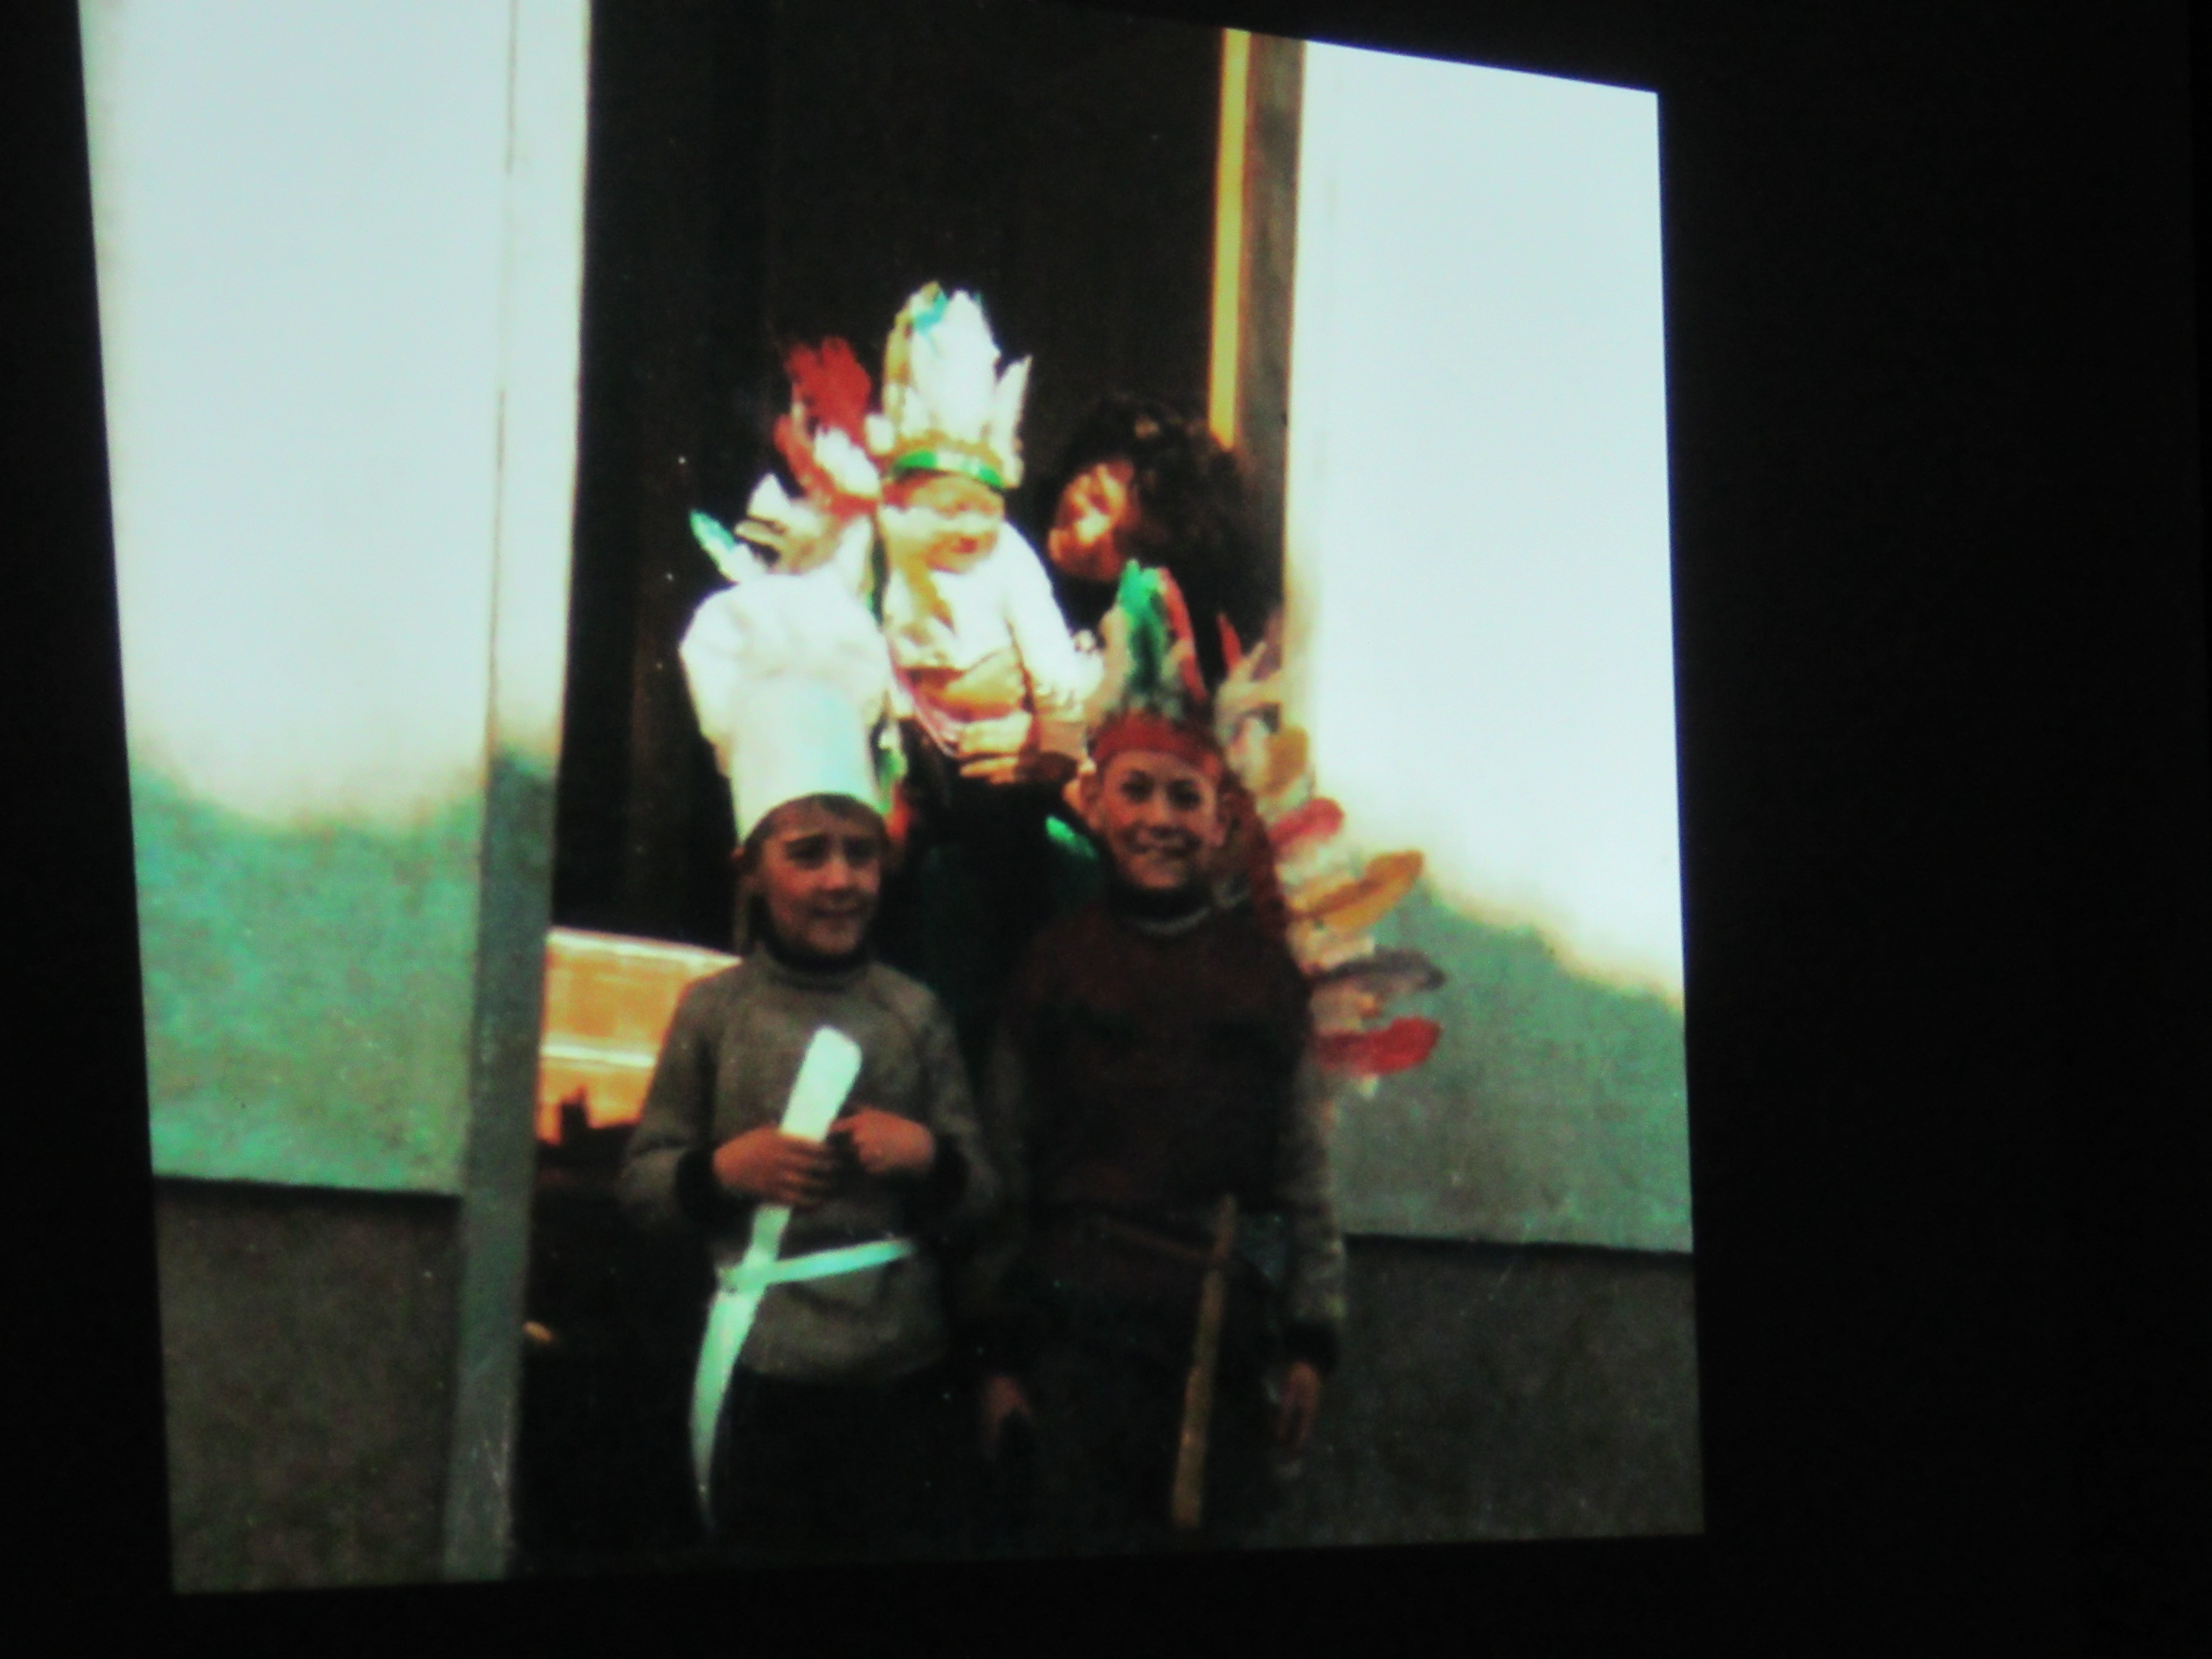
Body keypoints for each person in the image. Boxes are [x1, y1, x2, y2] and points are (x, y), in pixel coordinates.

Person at [628, 569, 997, 1564]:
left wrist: (929, 1158)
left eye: (859, 853)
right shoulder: (715, 1014)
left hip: (900, 1375)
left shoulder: (914, 1016)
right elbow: (643, 1186)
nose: (840, 879)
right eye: (807, 853)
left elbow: (982, 1198)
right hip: (761, 1369)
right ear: (751, 868)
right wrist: (721, 1172)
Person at [963, 695, 1348, 1555]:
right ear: (1096, 806)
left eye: (1186, 798)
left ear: (1222, 823)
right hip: (1073, 1337)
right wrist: (999, 1359)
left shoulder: (1262, 980)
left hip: (1215, 1331)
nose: (1159, 820)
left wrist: (1310, 1339)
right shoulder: (1055, 966)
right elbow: (1002, 1170)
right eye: (1136, 791)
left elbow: (1305, 1171)